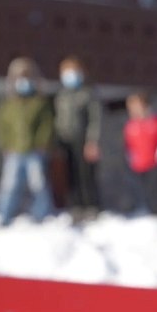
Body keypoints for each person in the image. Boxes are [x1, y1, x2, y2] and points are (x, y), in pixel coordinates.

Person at [0, 57, 54, 225]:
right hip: (14, 151)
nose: (24, 82)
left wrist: (42, 143)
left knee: (39, 183)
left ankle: (42, 214)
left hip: (35, 150)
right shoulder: (9, 104)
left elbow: (46, 125)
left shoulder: (39, 103)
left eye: (27, 77)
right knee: (9, 185)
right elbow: (2, 127)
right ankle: (4, 215)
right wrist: (5, 145)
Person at [54, 56, 103, 220]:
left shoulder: (88, 93)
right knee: (71, 176)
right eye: (66, 72)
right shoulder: (61, 95)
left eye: (73, 72)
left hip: (83, 140)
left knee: (86, 175)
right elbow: (58, 119)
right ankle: (76, 207)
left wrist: (92, 141)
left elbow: (95, 119)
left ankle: (91, 207)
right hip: (66, 140)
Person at [122, 91, 157, 216]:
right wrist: (130, 157)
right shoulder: (131, 125)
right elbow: (128, 145)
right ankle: (145, 213)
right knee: (142, 190)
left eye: (136, 106)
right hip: (138, 165)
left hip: (155, 163)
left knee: (155, 190)